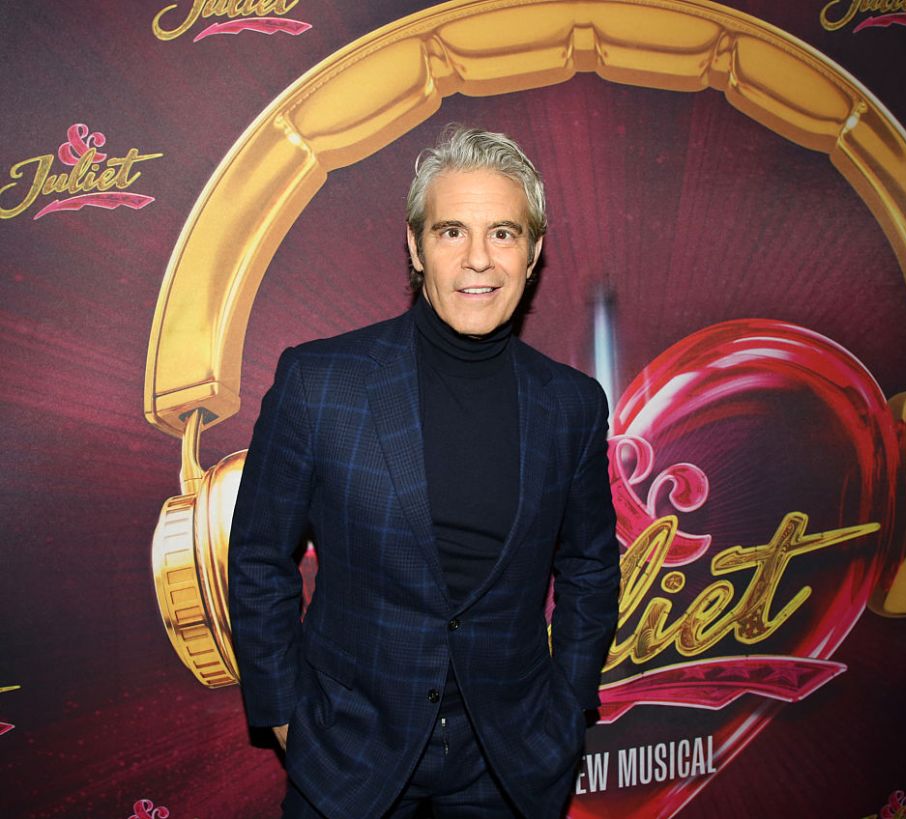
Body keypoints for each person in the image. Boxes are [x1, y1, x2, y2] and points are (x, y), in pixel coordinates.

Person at [228, 125, 619, 819]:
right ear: (415, 247)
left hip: (512, 761)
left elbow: (590, 565)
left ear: (533, 252)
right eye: (451, 232)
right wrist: (284, 715)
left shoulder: (572, 405)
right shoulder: (319, 382)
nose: (479, 259)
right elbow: (259, 556)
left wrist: (567, 707)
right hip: (348, 753)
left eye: (503, 233)